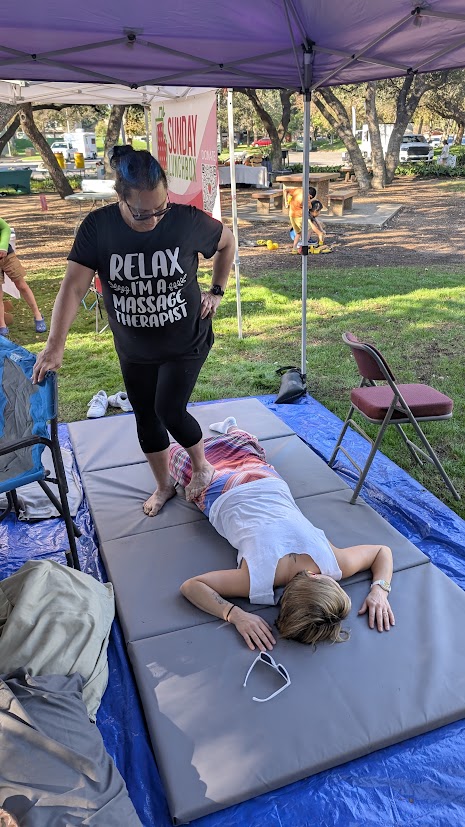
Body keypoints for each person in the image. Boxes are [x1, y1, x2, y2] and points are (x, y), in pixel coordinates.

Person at [32, 145, 235, 514]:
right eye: (142, 213)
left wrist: (217, 291)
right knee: (145, 415)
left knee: (169, 409)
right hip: (134, 347)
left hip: (186, 339)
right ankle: (164, 485)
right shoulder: (98, 228)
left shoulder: (186, 220)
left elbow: (227, 242)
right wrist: (54, 345)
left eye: (161, 209)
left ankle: (202, 466)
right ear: (120, 198)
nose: (153, 220)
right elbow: (74, 287)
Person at [170, 417, 395, 652]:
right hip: (224, 491)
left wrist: (379, 589)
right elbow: (192, 585)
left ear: (315, 577)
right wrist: (234, 614)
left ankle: (233, 429)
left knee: (244, 448)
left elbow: (382, 552)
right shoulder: (254, 582)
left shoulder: (334, 563)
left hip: (263, 481)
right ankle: (227, 432)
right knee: (177, 455)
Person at [0, 217, 47, 336]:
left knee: (22, 286)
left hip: (7, 256)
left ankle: (38, 315)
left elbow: (5, 228)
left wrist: (3, 246)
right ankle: (2, 325)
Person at [287, 186, 316, 253]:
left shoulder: (298, 190)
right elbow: (310, 206)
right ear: (310, 196)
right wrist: (309, 202)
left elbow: (286, 190)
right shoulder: (306, 196)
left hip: (291, 215)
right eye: (310, 198)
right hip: (298, 216)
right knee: (310, 229)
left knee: (298, 233)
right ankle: (303, 245)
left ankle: (294, 248)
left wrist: (286, 201)